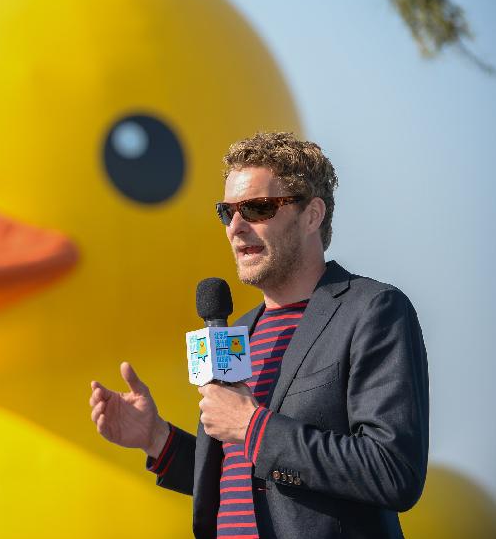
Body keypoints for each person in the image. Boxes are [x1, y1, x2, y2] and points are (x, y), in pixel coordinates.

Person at [89, 132, 428, 539]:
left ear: (312, 215)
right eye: (226, 212)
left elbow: (390, 471)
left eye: (257, 208)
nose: (236, 227)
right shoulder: (238, 331)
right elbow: (241, 478)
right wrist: (156, 439)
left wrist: (253, 427)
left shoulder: (372, 310)